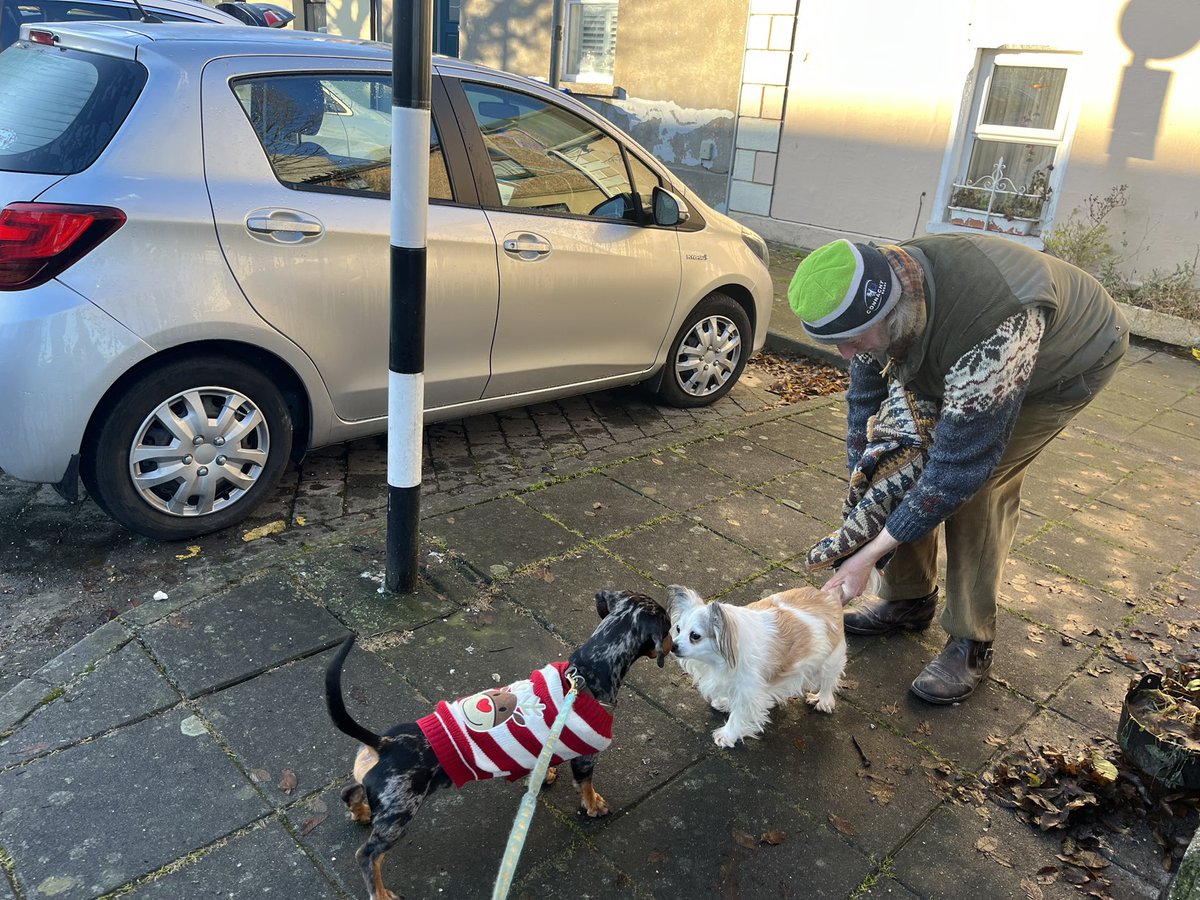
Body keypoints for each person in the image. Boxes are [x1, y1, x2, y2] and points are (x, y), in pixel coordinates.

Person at [787, 233, 1128, 704]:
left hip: (1066, 359)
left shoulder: (994, 327)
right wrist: (862, 500)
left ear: (888, 315)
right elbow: (865, 405)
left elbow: (958, 469)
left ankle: (972, 638)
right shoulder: (867, 295)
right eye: (836, 343)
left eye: (852, 341)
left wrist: (867, 556)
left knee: (979, 488)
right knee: (895, 460)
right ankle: (908, 598)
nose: (846, 354)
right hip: (959, 351)